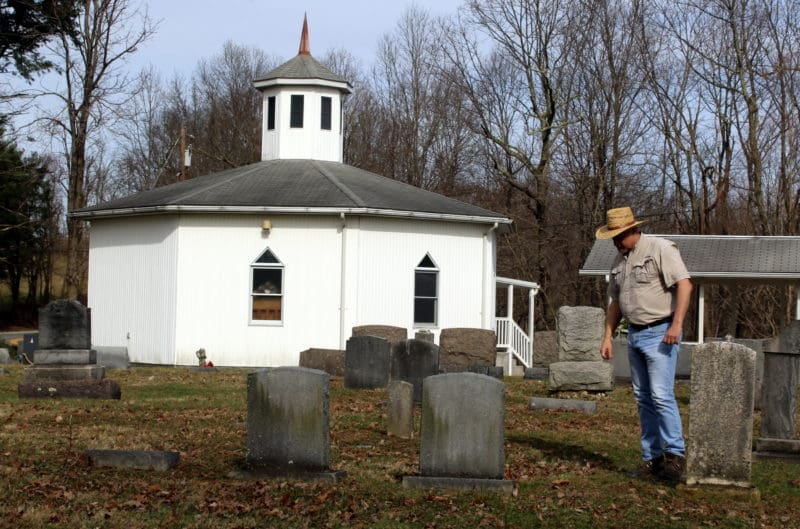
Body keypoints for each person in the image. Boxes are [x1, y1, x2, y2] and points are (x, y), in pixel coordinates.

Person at [596, 206, 693, 482]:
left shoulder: (659, 248)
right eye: (612, 237)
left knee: (661, 395)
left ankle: (675, 456)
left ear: (632, 230)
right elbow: (615, 302)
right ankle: (653, 458)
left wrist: (676, 325)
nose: (615, 241)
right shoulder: (618, 261)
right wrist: (607, 337)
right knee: (643, 399)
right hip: (635, 334)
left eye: (619, 236)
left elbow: (685, 285)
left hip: (661, 331)